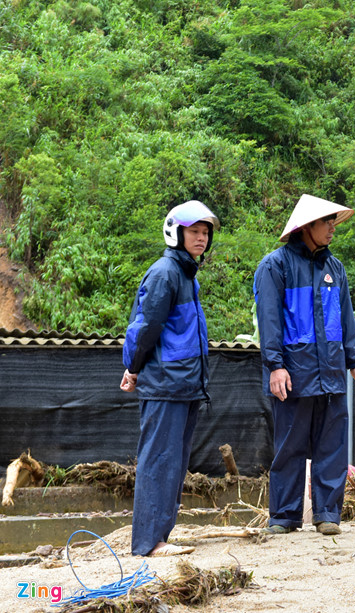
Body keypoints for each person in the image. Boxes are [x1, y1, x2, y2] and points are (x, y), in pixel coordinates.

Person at [254, 193, 355, 536]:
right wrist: (275, 366)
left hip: (333, 373)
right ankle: (285, 517)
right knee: (289, 446)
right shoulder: (275, 266)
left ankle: (326, 516)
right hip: (294, 372)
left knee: (331, 446)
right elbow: (270, 321)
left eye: (334, 221)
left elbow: (346, 320)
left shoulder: (335, 269)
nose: (332, 228)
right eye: (326, 222)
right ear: (306, 226)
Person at [120, 200, 219, 557]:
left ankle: (161, 535)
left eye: (205, 232)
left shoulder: (186, 275)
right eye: (194, 231)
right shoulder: (165, 273)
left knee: (174, 464)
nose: (201, 238)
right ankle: (147, 542)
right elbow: (145, 327)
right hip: (164, 383)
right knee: (158, 461)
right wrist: (133, 368)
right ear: (176, 233)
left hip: (185, 385)